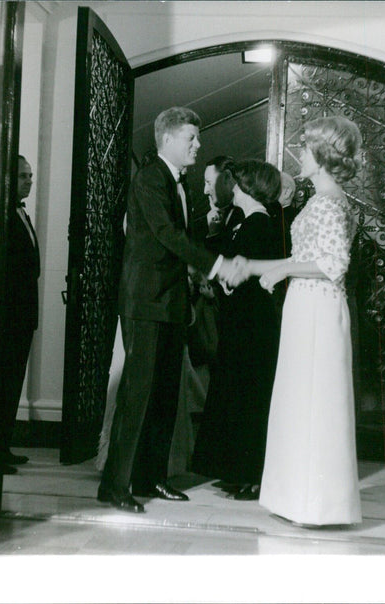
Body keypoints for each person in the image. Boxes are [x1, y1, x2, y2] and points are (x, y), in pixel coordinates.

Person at [97, 107, 245, 513]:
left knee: (164, 396)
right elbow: (166, 235)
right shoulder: (149, 177)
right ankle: (115, 485)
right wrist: (217, 267)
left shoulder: (178, 183)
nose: (198, 145)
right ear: (167, 140)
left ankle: (150, 478)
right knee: (138, 394)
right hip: (146, 302)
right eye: (191, 139)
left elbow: (180, 240)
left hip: (170, 302)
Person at [243, 116, 363, 525]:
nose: (300, 154)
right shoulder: (320, 199)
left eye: (307, 148)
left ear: (324, 157)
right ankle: (298, 498)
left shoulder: (329, 202)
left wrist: (280, 271)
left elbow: (333, 263)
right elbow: (303, 258)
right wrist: (257, 265)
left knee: (314, 400)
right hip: (306, 305)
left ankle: (315, 503)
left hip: (317, 308)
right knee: (302, 399)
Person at [191, 160, 283, 501]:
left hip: (252, 324)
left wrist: (229, 283)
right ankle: (236, 471)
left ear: (246, 187)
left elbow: (251, 270)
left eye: (236, 183)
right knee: (236, 394)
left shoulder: (259, 222)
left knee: (248, 397)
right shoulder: (247, 222)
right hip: (241, 322)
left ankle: (251, 475)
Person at [0, 155, 40, 474]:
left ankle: (4, 447)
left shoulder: (22, 213)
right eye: (24, 176)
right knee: (2, 385)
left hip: (24, 316)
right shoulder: (1, 217)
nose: (29, 181)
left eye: (31, 175)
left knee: (13, 384)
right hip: (8, 317)